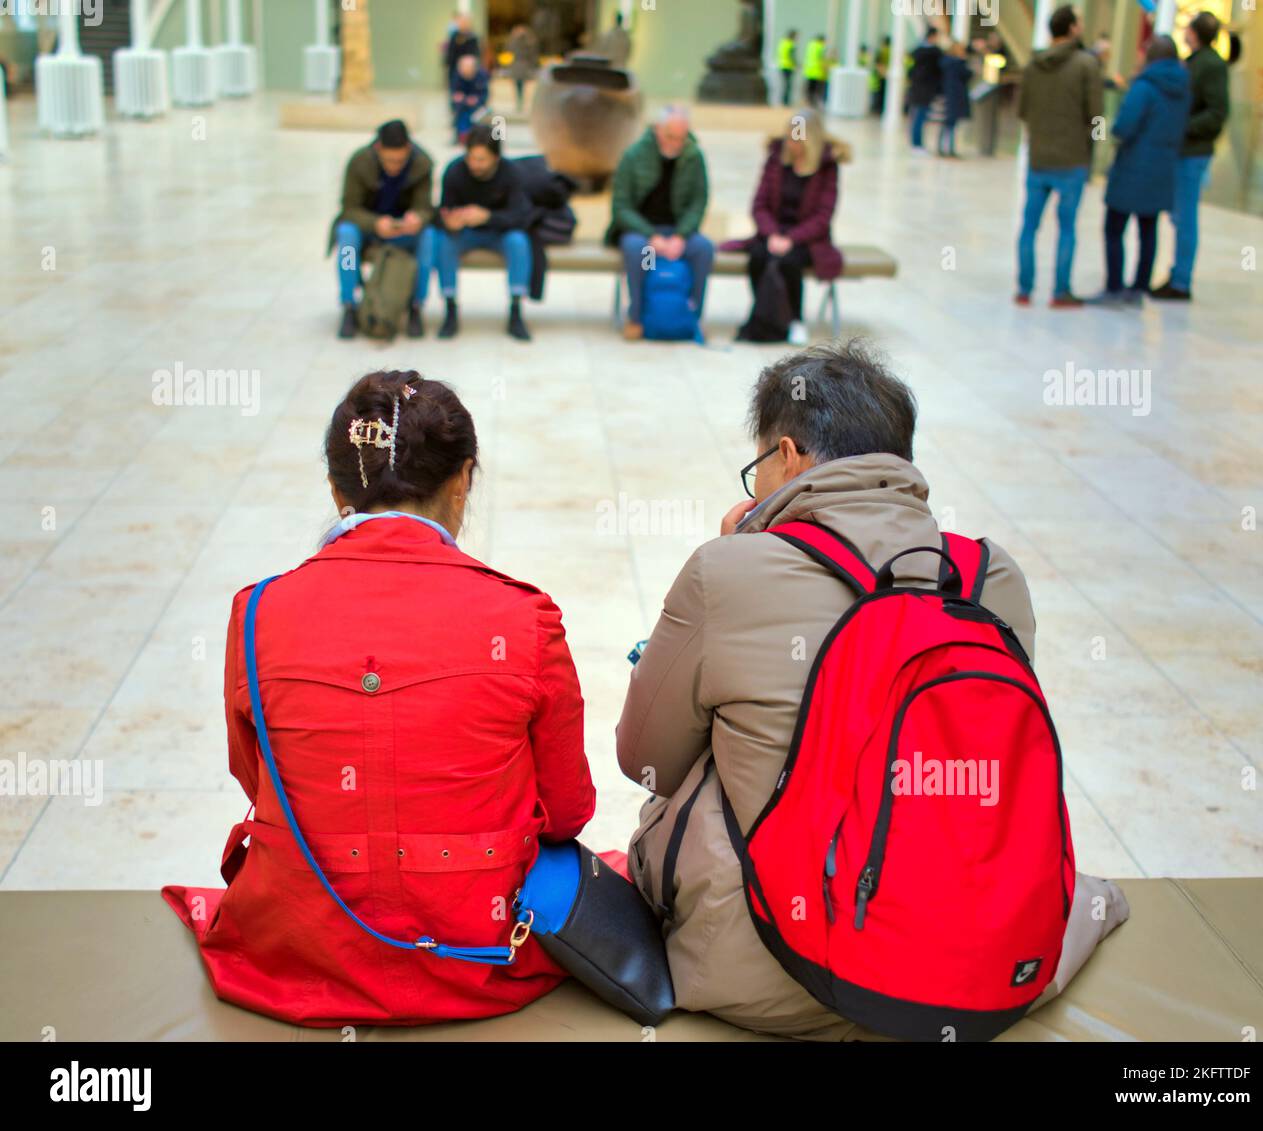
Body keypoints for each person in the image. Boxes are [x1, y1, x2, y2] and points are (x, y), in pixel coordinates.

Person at [615, 339, 1130, 1040]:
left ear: (788, 457)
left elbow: (647, 759)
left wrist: (734, 557)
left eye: (756, 467)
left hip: (774, 973)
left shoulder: (726, 574)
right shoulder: (988, 577)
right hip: (981, 967)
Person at [163, 370, 596, 1027]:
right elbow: (568, 811)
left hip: (301, 951)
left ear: (337, 489)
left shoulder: (256, 614)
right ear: (465, 479)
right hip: (480, 959)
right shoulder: (524, 616)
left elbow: (256, 781)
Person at [731, 108, 848, 345]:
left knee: (789, 261)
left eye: (798, 140)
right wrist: (772, 233)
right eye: (790, 138)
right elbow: (759, 204)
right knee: (758, 256)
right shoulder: (776, 160)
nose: (792, 145)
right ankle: (766, 315)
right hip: (773, 231)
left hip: (808, 238)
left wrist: (791, 238)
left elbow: (823, 215)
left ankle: (795, 319)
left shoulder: (826, 167)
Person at [1088, 36, 1189, 308]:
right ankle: (1139, 288)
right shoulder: (1183, 86)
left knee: (1114, 228)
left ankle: (1114, 287)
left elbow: (1125, 125)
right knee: (1148, 229)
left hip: (1134, 166)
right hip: (1163, 167)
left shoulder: (1145, 86)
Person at [1015, 5, 1102, 307]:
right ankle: (1060, 291)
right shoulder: (1086, 64)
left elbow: (1022, 111)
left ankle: (1024, 289)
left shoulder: (1033, 64)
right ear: (1073, 29)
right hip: (1072, 160)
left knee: (1029, 226)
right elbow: (1096, 116)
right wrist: (1095, 149)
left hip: (1039, 157)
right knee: (1066, 228)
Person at [606, 105, 713, 342]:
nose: (676, 143)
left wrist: (680, 236)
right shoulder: (634, 155)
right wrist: (651, 236)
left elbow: (699, 201)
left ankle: (693, 317)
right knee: (641, 252)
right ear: (657, 130)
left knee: (703, 249)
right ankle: (637, 318)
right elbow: (621, 206)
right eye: (670, 136)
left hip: (678, 231)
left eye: (681, 137)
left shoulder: (694, 156)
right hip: (641, 231)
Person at [329, 119, 436, 340]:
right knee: (346, 236)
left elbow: (425, 207)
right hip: (368, 228)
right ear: (378, 148)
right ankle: (349, 303)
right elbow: (349, 209)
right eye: (388, 160)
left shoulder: (422, 163)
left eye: (399, 160)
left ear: (408, 149)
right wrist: (375, 224)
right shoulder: (360, 162)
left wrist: (417, 218)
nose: (393, 166)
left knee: (429, 237)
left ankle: (416, 304)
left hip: (404, 230)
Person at [1151, 11, 1230, 301]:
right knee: (1178, 215)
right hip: (1184, 151)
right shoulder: (1196, 63)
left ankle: (1181, 281)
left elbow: (1217, 112)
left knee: (1185, 217)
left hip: (1193, 153)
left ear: (1195, 33)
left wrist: (1183, 127)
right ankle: (1177, 275)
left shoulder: (1211, 65)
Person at [434, 125, 534, 342]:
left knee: (519, 241)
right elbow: (442, 212)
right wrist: (451, 222)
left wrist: (487, 217)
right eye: (471, 158)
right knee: (444, 242)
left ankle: (515, 310)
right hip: (465, 234)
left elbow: (522, 217)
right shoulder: (454, 171)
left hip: (500, 234)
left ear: (496, 158)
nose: (475, 165)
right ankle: (450, 308)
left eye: (482, 160)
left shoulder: (512, 173)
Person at [444, 13, 481, 143]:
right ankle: (458, 134)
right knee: (456, 105)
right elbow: (449, 55)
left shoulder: (472, 37)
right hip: (456, 73)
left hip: (469, 74)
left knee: (469, 110)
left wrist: (468, 66)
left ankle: (470, 134)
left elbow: (475, 55)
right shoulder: (454, 36)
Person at [907, 26, 943, 153]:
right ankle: (917, 145)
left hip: (916, 89)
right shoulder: (934, 53)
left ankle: (916, 144)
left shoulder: (916, 51)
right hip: (924, 90)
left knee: (916, 117)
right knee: (919, 118)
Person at [937, 41, 972, 157]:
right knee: (950, 124)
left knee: (948, 123)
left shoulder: (947, 62)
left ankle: (943, 147)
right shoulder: (957, 63)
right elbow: (967, 74)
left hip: (951, 94)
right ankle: (948, 149)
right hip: (955, 95)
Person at [450, 53, 489, 143]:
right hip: (463, 105)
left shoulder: (481, 75)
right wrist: (463, 99)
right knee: (461, 113)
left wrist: (476, 99)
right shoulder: (457, 76)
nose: (465, 71)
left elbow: (484, 94)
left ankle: (472, 136)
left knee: (473, 115)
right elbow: (455, 93)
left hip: (478, 106)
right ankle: (462, 136)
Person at [504, 22, 539, 113]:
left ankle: (521, 103)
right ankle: (520, 103)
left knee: (522, 86)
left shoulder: (527, 41)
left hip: (522, 66)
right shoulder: (525, 41)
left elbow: (532, 54)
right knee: (519, 85)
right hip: (518, 66)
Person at [803, 33, 828, 106]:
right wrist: (824, 68)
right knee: (816, 88)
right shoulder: (821, 47)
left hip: (808, 69)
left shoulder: (810, 45)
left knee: (809, 87)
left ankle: (808, 101)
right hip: (817, 70)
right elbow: (821, 59)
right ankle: (814, 103)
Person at [777, 29, 798, 107]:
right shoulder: (791, 44)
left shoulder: (782, 43)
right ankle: (786, 102)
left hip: (782, 65)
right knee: (788, 85)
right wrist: (796, 64)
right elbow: (792, 56)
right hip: (788, 66)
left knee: (784, 84)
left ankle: (782, 101)